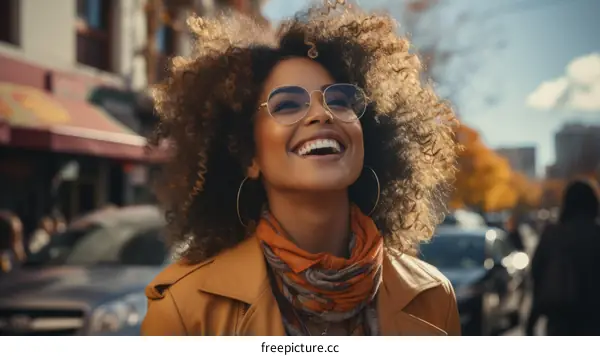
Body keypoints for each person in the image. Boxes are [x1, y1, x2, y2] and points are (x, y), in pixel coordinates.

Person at [141, 1, 459, 336]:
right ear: (250, 156)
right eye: (288, 104)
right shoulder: (184, 309)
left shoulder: (434, 297)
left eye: (339, 100)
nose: (322, 114)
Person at [526, 179, 600, 335]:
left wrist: (532, 319)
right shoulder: (596, 235)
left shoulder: (553, 235)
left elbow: (537, 276)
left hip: (560, 319)